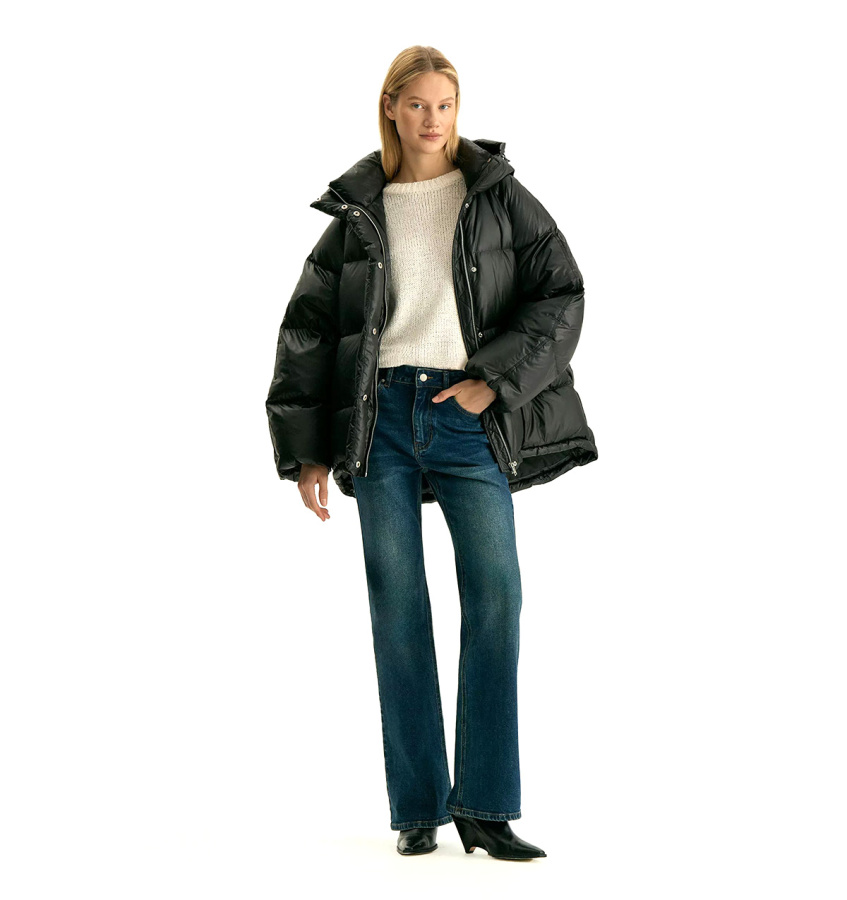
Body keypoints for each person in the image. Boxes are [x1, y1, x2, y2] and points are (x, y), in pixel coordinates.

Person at [266, 45, 597, 860]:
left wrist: (494, 382)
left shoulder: (496, 196)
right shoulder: (358, 212)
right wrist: (307, 453)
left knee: (496, 598)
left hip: (464, 419)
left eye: (444, 105)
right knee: (398, 611)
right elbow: (308, 331)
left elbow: (561, 293)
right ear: (390, 107)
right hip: (379, 421)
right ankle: (416, 807)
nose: (432, 120)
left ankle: (484, 806)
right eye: (416, 104)